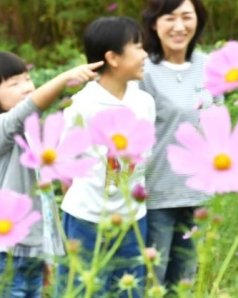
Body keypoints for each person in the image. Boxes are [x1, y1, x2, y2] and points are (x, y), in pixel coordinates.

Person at [0, 52, 102, 297]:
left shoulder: (30, 135)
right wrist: (63, 80)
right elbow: (29, 107)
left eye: (27, 79)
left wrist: (48, 256)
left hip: (32, 255)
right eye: (14, 83)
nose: (26, 87)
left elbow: (43, 205)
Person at [58, 17, 155, 296]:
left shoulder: (143, 101)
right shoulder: (83, 106)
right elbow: (66, 167)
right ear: (112, 57)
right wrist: (93, 200)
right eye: (137, 47)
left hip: (132, 218)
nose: (145, 54)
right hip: (87, 221)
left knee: (130, 289)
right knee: (86, 289)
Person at [140, 0, 215, 287]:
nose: (179, 26)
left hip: (201, 196)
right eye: (169, 18)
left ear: (198, 19)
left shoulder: (209, 66)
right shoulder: (143, 70)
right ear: (154, 23)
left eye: (187, 16)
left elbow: (219, 126)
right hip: (157, 196)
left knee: (186, 284)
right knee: (152, 284)